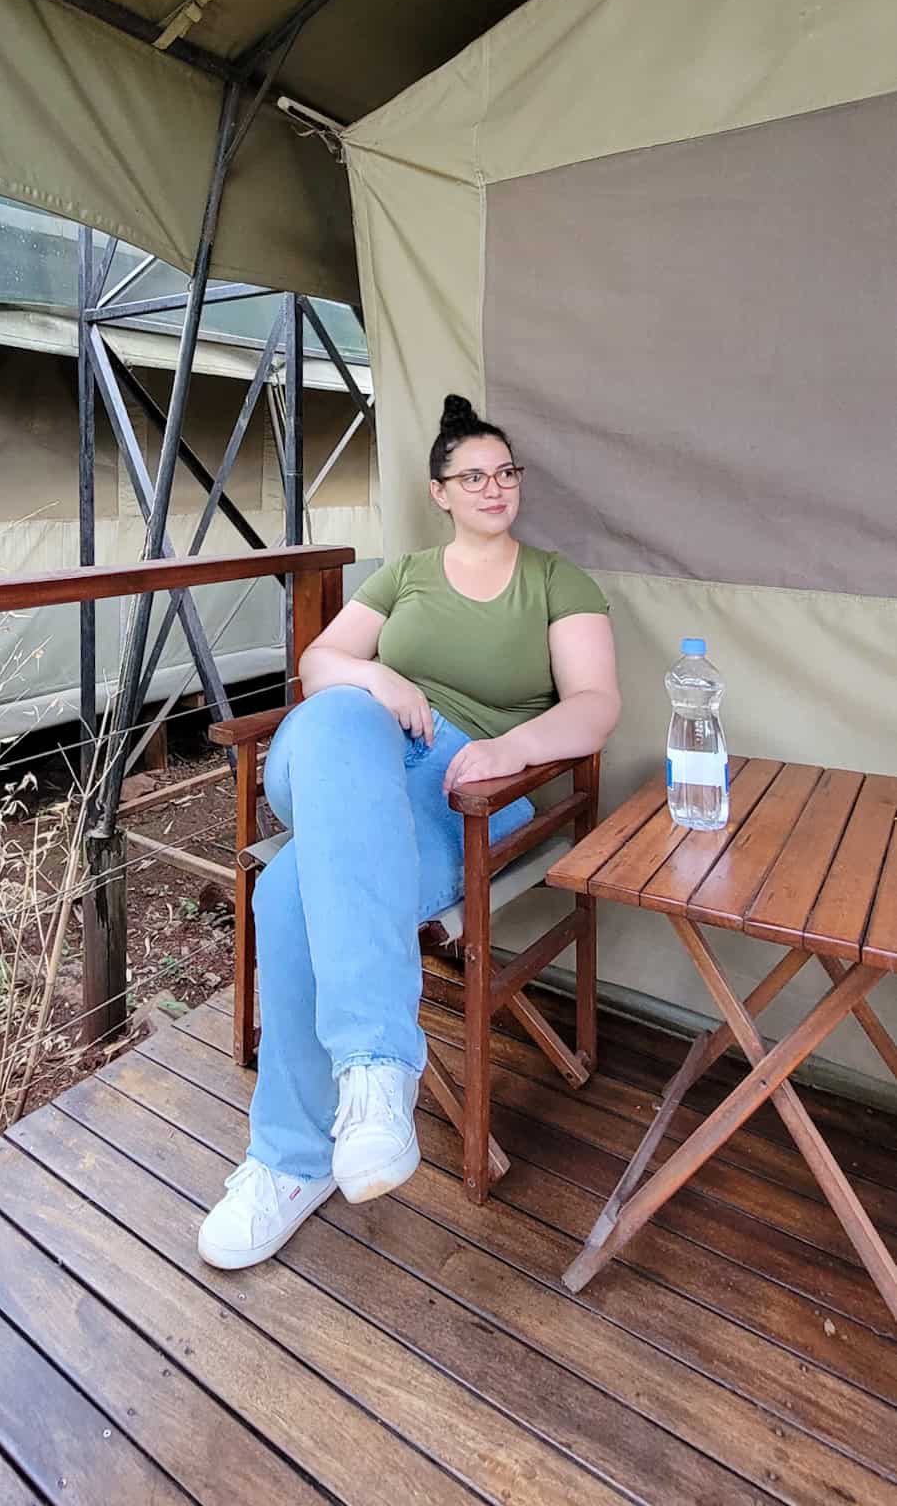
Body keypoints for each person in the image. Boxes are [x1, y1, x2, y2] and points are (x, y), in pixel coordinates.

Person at [197, 393, 620, 1269]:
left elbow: (594, 707)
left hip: (479, 787)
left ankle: (290, 1158)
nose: (495, 488)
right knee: (337, 712)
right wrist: (381, 686)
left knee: (288, 889)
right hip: (360, 753)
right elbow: (320, 664)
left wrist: (508, 746)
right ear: (441, 492)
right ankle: (377, 1060)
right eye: (475, 476)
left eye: (506, 472)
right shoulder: (406, 575)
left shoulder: (556, 582)